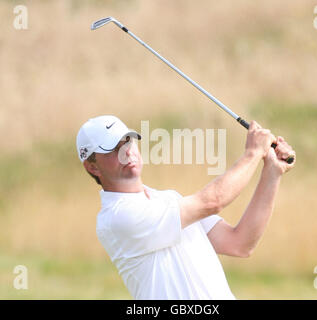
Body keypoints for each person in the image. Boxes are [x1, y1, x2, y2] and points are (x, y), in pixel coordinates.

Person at [76, 115, 296, 300]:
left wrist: (272, 173)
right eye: (113, 149)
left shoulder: (168, 199)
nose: (126, 152)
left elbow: (240, 243)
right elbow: (213, 201)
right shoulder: (118, 218)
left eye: (128, 142)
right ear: (92, 167)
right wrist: (253, 153)